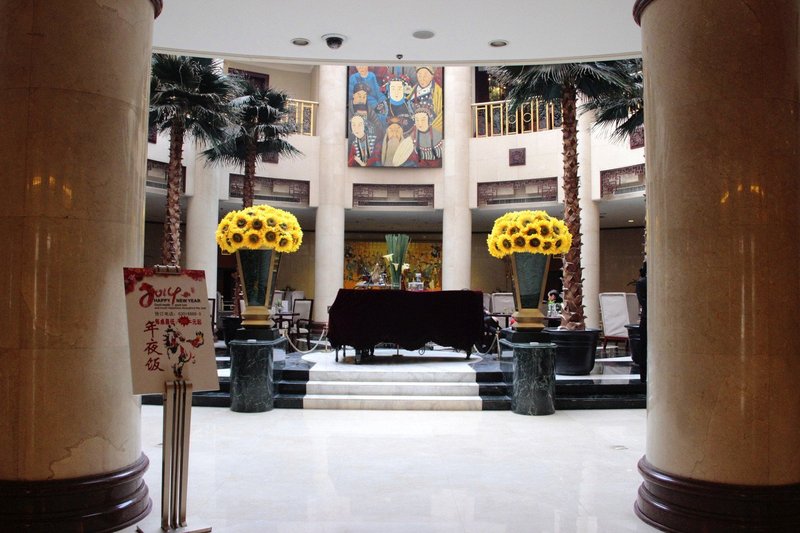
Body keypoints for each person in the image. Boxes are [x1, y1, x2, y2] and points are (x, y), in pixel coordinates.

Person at [635, 261, 648, 382]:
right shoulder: (642, 282)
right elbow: (643, 301)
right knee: (644, 347)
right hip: (647, 318)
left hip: (647, 317)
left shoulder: (641, 282)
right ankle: (643, 377)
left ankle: (644, 376)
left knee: (644, 347)